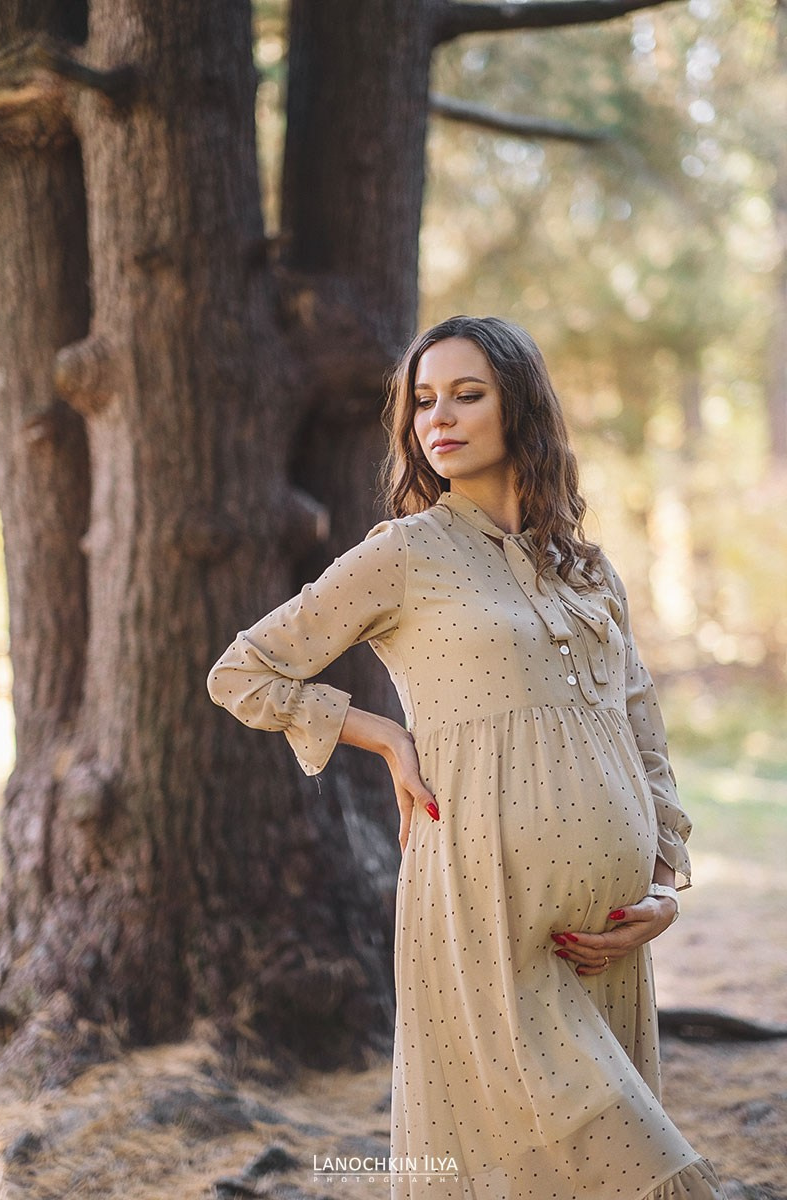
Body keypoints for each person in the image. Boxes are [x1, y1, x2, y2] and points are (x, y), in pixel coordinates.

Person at [207, 315, 728, 1200]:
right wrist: (381, 734)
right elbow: (243, 670)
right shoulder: (404, 555)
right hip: (485, 919)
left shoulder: (588, 569)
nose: (437, 419)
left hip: (607, 940)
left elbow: (641, 727)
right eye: (422, 401)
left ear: (519, 406)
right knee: (656, 1176)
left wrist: (665, 890)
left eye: (466, 394)